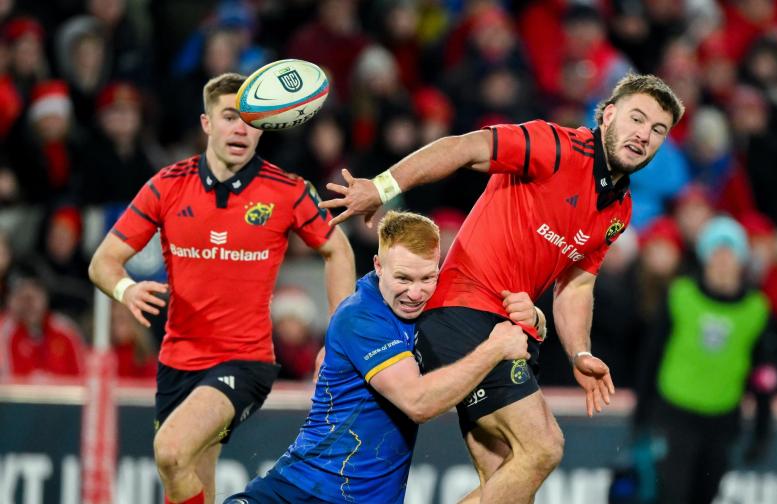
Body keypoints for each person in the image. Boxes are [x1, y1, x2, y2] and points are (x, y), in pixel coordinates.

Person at [322, 73, 685, 502]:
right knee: (544, 446)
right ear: (608, 116)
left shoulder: (620, 208)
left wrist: (580, 352)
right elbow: (461, 148)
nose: (644, 135)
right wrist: (382, 187)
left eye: (657, 130)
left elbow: (576, 284)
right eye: (636, 119)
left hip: (509, 330)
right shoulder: (555, 145)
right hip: (466, 312)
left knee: (511, 484)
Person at [88, 72, 355, 504]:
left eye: (251, 119)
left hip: (244, 362)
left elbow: (337, 251)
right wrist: (126, 289)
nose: (240, 128)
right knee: (190, 478)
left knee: (171, 452)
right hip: (177, 362)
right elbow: (102, 261)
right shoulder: (168, 184)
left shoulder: (286, 191)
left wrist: (338, 337)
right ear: (206, 123)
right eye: (230, 117)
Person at [225, 210, 540, 504]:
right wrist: (494, 349)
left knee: (513, 480)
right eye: (403, 279)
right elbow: (419, 403)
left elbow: (512, 327)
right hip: (299, 492)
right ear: (378, 266)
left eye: (427, 278)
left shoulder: (436, 305)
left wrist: (534, 317)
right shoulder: (360, 317)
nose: (415, 293)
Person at [632, 216, 777, 504]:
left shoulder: (756, 309)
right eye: (716, 253)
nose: (723, 261)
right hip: (675, 411)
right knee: (672, 494)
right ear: (705, 257)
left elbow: (764, 376)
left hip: (722, 418)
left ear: (741, 260)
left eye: (730, 253)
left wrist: (762, 431)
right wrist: (642, 415)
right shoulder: (681, 296)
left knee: (706, 495)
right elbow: (652, 356)